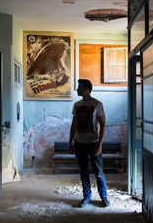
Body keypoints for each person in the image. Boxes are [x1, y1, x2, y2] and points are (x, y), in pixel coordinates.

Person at [69, 79, 110, 208]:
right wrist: (70, 141)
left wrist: (100, 144)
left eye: (79, 87)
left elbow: (103, 125)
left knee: (98, 171)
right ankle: (86, 197)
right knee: (83, 171)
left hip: (94, 143)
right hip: (79, 143)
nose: (77, 89)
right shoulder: (77, 105)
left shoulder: (97, 104)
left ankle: (104, 197)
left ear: (87, 89)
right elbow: (74, 124)